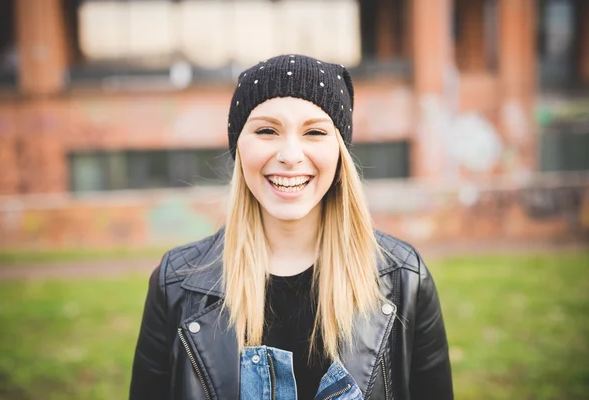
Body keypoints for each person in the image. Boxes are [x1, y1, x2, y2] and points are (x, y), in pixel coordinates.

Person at [129, 54, 453, 400]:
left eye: (314, 132)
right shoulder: (177, 284)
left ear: (340, 150)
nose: (290, 154)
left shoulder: (403, 279)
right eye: (267, 131)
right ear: (239, 146)